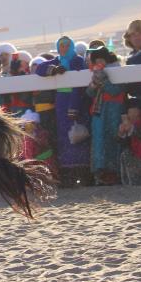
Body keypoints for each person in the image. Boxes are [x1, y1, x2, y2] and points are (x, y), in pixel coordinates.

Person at [35, 36, 91, 185]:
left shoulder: (77, 60)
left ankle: (83, 173)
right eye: (61, 45)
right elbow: (39, 69)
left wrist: (74, 105)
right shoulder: (57, 61)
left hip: (75, 100)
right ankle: (67, 173)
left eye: (67, 45)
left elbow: (79, 85)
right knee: (64, 136)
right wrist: (52, 70)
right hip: (61, 102)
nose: (64, 48)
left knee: (78, 135)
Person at [86, 47, 123, 185]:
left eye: (102, 60)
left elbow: (116, 90)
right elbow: (89, 93)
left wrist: (104, 81)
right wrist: (95, 83)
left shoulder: (116, 71)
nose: (99, 63)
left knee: (113, 137)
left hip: (113, 108)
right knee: (99, 140)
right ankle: (100, 172)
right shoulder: (95, 74)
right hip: (99, 110)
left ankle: (114, 172)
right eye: (97, 60)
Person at [118, 98, 141, 185]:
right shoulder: (129, 123)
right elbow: (123, 144)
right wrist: (122, 134)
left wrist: (133, 129)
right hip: (133, 155)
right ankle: (128, 181)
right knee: (125, 154)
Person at [123, 19, 141, 100]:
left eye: (140, 33)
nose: (137, 37)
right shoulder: (130, 58)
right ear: (129, 37)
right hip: (135, 98)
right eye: (133, 34)